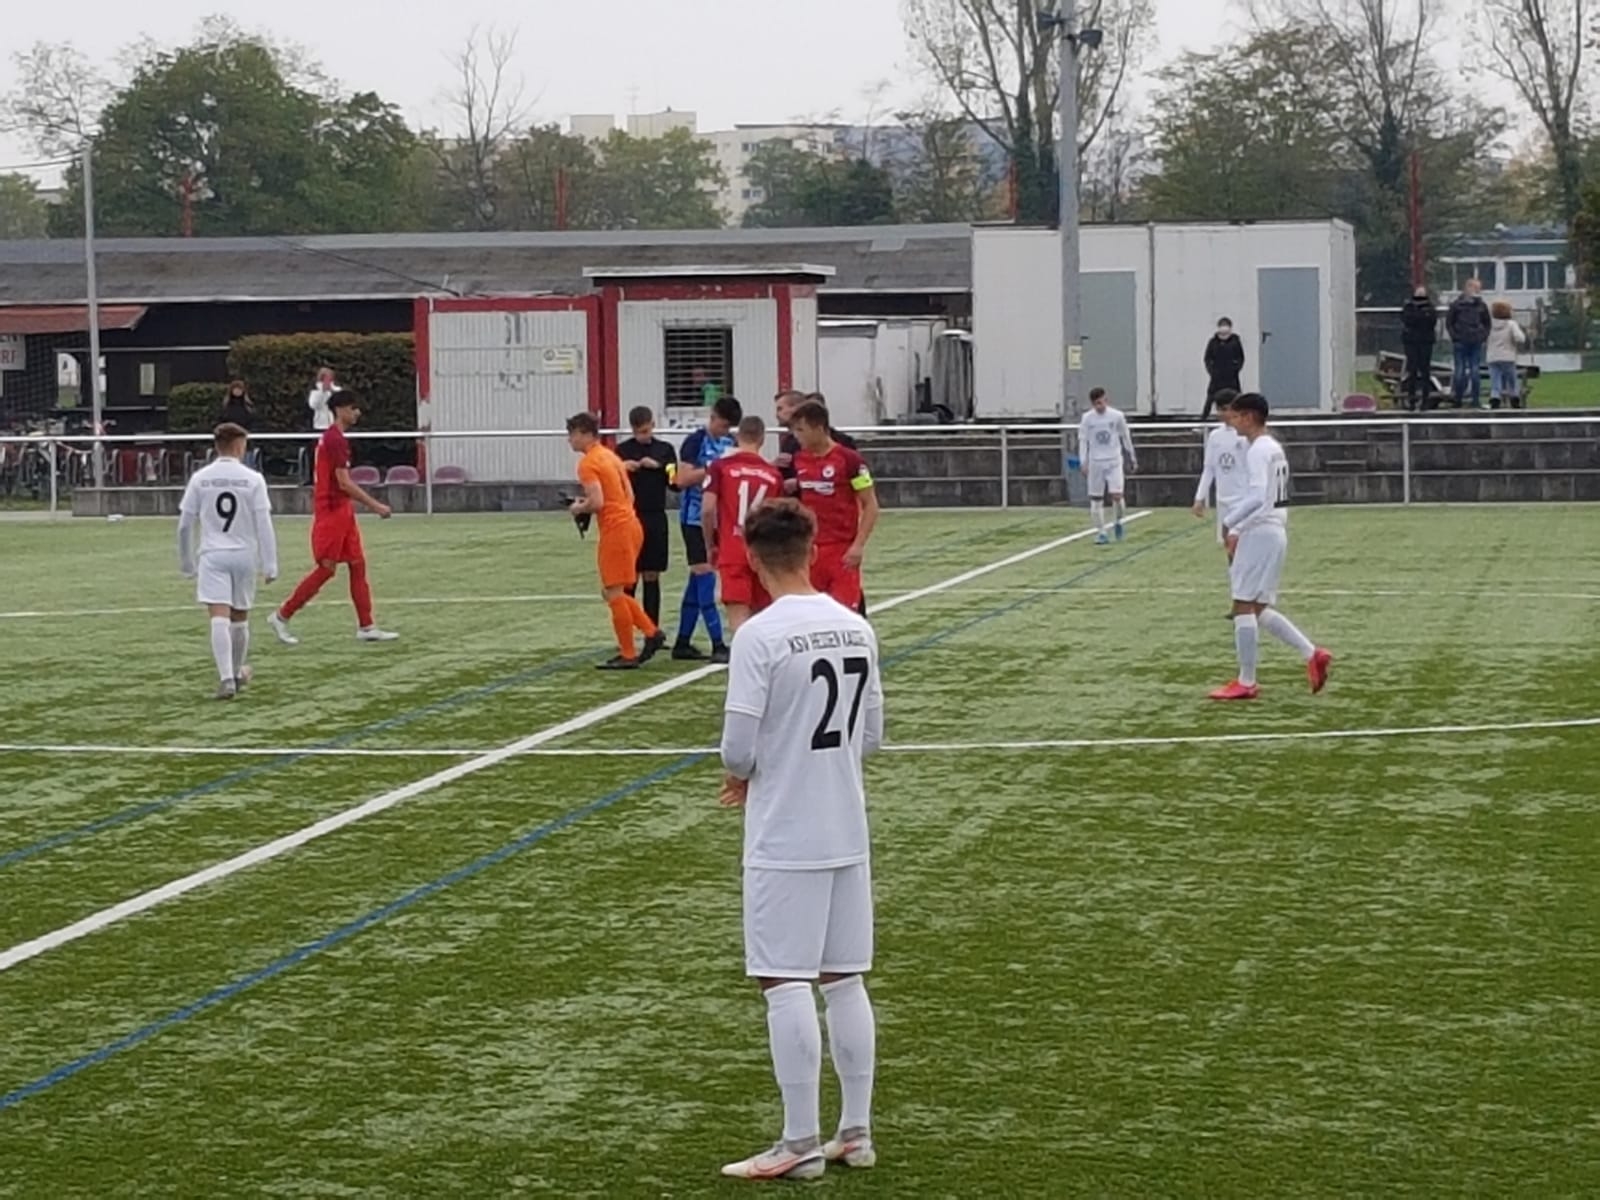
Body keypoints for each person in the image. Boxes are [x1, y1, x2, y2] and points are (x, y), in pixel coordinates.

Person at [717, 498, 884, 1181]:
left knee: (784, 978)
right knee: (845, 978)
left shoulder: (757, 636)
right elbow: (871, 736)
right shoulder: (855, 626)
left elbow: (736, 748)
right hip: (847, 825)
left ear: (752, 559)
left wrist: (746, 775)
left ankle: (798, 1142)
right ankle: (856, 1132)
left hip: (786, 832)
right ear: (813, 551)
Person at [1210, 393, 1332, 702]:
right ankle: (1311, 653)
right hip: (1275, 529)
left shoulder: (1257, 450)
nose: (1232, 422)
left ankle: (1246, 681)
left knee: (1242, 603)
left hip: (1260, 531)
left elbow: (1256, 496)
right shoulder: (1273, 448)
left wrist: (1231, 524)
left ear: (1249, 417)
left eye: (1236, 416)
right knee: (1258, 607)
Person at [268, 391, 399, 646]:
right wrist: (376, 506)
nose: (357, 413)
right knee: (326, 569)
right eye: (353, 408)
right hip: (331, 511)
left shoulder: (334, 438)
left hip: (341, 509)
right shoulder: (335, 439)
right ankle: (282, 615)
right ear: (340, 410)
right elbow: (343, 482)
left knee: (357, 564)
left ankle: (367, 625)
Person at [178, 423, 278, 700]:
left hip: (213, 554)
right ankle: (235, 673)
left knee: (218, 615)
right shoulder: (253, 479)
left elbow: (185, 524)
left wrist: (186, 562)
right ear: (238, 445)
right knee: (240, 616)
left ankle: (226, 679)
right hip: (244, 555)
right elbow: (264, 523)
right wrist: (270, 563)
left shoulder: (200, 478)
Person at [566, 411, 666, 671]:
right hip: (632, 524)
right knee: (614, 591)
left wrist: (579, 507)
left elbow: (598, 502)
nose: (570, 440)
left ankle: (633, 649)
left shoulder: (588, 463)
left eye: (572, 434)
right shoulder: (611, 456)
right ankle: (650, 632)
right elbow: (628, 495)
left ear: (584, 434)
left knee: (613, 592)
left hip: (616, 529)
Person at [774, 391, 868, 618]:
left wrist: (858, 546)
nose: (796, 436)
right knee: (810, 613)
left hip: (841, 550)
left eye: (801, 430)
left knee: (844, 615)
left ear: (818, 428)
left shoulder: (849, 459)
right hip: (810, 549)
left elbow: (871, 506)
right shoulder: (800, 458)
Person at [672, 395, 742, 663]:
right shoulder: (695, 441)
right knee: (705, 577)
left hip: (719, 519)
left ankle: (682, 642)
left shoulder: (731, 443)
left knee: (698, 578)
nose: (724, 431)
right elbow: (682, 479)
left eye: (728, 427)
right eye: (722, 425)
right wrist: (712, 470)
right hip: (694, 518)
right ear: (712, 418)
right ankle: (717, 643)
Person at [703, 415, 786, 633]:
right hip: (762, 552)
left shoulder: (721, 467)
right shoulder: (773, 474)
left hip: (733, 550)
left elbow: (707, 509)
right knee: (764, 620)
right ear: (762, 439)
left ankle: (741, 655)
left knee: (738, 620)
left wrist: (710, 543)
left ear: (737, 436)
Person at [615, 406, 678, 626]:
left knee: (652, 574)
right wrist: (622, 468)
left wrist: (660, 467)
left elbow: (675, 481)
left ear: (652, 425)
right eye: (638, 432)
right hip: (630, 517)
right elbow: (610, 478)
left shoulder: (665, 449)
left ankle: (652, 629)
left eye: (646, 430)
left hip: (655, 517)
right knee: (629, 576)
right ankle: (628, 627)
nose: (643, 435)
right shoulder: (622, 451)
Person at [1077, 387, 1137, 545]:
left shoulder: (1117, 416)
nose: (1099, 406)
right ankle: (1101, 532)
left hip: (1113, 461)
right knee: (1096, 499)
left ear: (1106, 400)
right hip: (1096, 462)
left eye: (1101, 402)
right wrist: (1083, 461)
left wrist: (1131, 456)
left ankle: (1118, 521)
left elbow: (1125, 437)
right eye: (1096, 403)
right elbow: (1083, 441)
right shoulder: (1087, 419)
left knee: (1117, 496)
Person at [1191, 389, 1249, 541]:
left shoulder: (1245, 436)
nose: (1222, 413)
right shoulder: (1215, 436)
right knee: (1227, 543)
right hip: (1223, 501)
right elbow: (1209, 469)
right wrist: (1199, 498)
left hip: (1243, 499)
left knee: (1240, 542)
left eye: (1225, 409)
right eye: (1219, 409)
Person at [1447, 279, 1493, 408]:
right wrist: (1455, 337)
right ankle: (1459, 398)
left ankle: (1474, 399)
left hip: (1475, 341)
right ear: (1467, 288)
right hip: (1461, 341)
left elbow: (1487, 323)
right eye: (1476, 288)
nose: (1478, 291)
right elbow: (1449, 323)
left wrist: (1482, 337)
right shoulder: (1458, 305)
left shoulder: (1480, 305)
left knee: (1474, 371)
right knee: (1460, 371)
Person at [1399, 288, 1438, 411]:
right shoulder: (1409, 307)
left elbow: (1431, 322)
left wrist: (1418, 318)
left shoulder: (1430, 308)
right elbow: (1407, 320)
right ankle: (1411, 399)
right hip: (1412, 342)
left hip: (1425, 342)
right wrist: (1421, 316)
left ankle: (1425, 400)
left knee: (1425, 371)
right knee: (1412, 371)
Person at [1486, 300, 1528, 410]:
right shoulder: (1511, 324)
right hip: (1508, 356)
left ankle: (1495, 397)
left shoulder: (1489, 325)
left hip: (1493, 356)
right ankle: (1514, 397)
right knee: (1512, 379)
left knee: (1495, 380)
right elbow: (1520, 338)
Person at [1202, 318, 1245, 419]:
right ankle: (1203, 419)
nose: (1224, 328)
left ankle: (1241, 418)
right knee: (1210, 398)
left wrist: (1235, 369)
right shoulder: (1213, 342)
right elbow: (1207, 358)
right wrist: (1211, 371)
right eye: (1222, 325)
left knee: (1237, 398)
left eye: (1226, 325)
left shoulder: (1235, 341)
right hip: (1217, 376)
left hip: (1231, 376)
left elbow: (1240, 357)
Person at [307, 367, 339, 432]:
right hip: (320, 425)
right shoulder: (315, 390)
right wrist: (323, 392)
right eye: (326, 378)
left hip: (335, 424)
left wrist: (331, 391)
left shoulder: (335, 389)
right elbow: (313, 405)